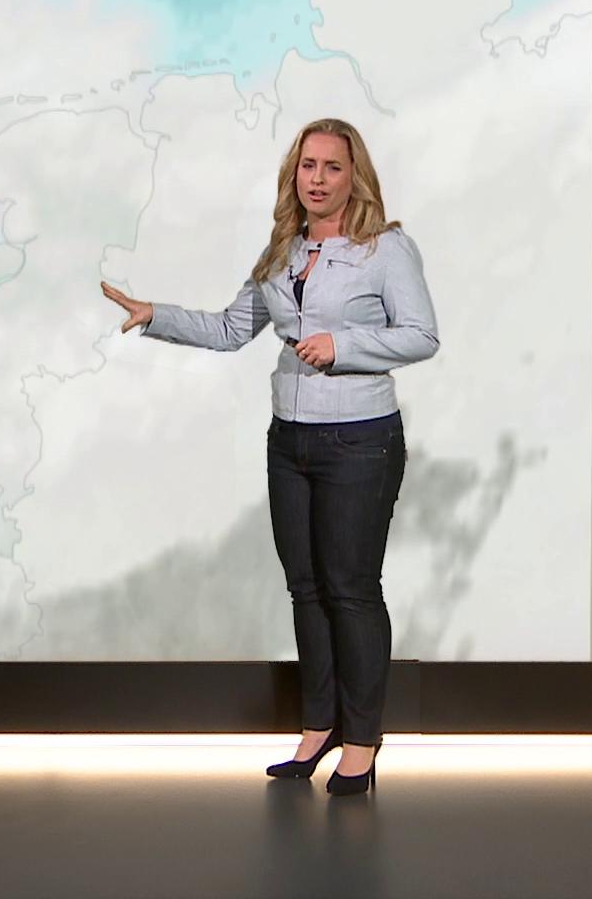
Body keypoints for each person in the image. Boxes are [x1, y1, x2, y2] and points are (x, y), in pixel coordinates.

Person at [100, 118, 439, 795]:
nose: (317, 178)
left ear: (355, 176)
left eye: (332, 167)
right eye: (307, 166)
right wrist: (154, 314)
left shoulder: (385, 249)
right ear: (294, 175)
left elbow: (422, 335)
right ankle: (319, 725)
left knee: (351, 588)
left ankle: (362, 740)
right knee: (305, 587)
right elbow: (233, 329)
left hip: (360, 439)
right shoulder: (283, 249)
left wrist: (344, 347)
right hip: (290, 440)